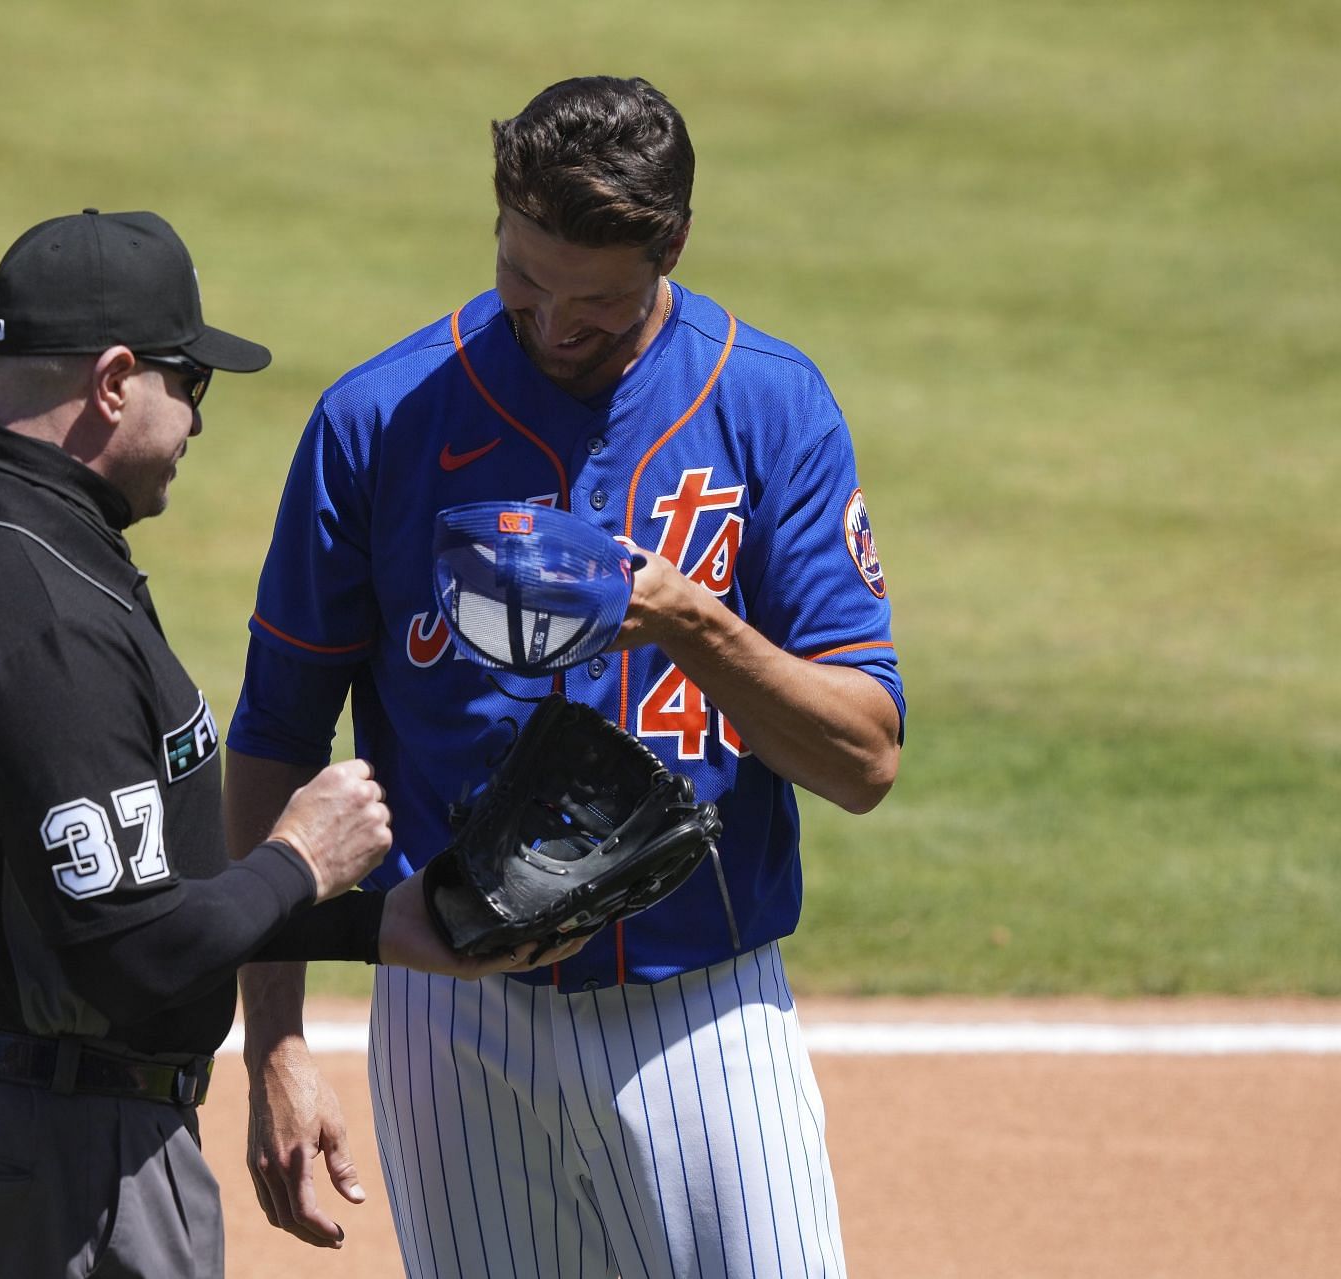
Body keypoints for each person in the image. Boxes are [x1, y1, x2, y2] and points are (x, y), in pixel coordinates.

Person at [226, 77, 904, 1279]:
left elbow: (864, 759)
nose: (553, 323)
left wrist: (691, 621)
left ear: (672, 245)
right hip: (452, 1014)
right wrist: (273, 1038)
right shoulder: (378, 421)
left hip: (704, 1009)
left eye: (597, 297)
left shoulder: (769, 407)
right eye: (523, 279)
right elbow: (275, 735)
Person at [0, 209, 548, 1279]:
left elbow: (85, 898)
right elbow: (130, 955)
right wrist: (301, 859)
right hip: (46, 1168)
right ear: (115, 381)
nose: (197, 422)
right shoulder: (41, 614)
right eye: (188, 384)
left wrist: (368, 924)